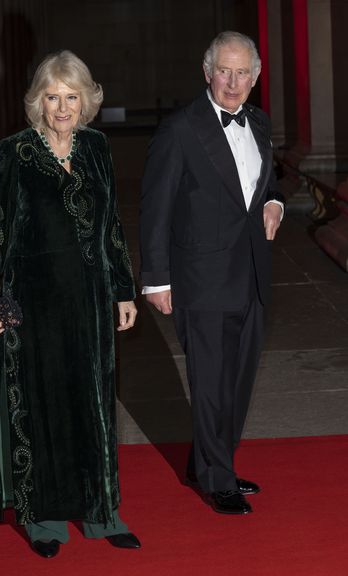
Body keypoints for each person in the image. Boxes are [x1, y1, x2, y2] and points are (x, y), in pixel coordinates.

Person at [0, 50, 140, 557]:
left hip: (89, 300)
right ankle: (42, 516)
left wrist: (123, 289)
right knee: (40, 405)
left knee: (95, 404)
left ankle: (101, 510)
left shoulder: (97, 148)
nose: (62, 107)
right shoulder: (15, 153)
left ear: (86, 100)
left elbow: (110, 226)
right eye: (52, 97)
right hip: (32, 300)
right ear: (37, 101)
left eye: (71, 97)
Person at [140, 31, 284, 515]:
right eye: (225, 70)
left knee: (239, 380)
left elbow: (268, 177)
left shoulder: (259, 123)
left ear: (256, 77)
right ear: (208, 72)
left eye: (243, 72)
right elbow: (154, 207)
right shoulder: (180, 128)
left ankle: (207, 460)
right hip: (201, 277)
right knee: (210, 381)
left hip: (252, 275)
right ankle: (217, 477)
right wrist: (157, 279)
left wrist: (276, 202)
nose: (233, 81)